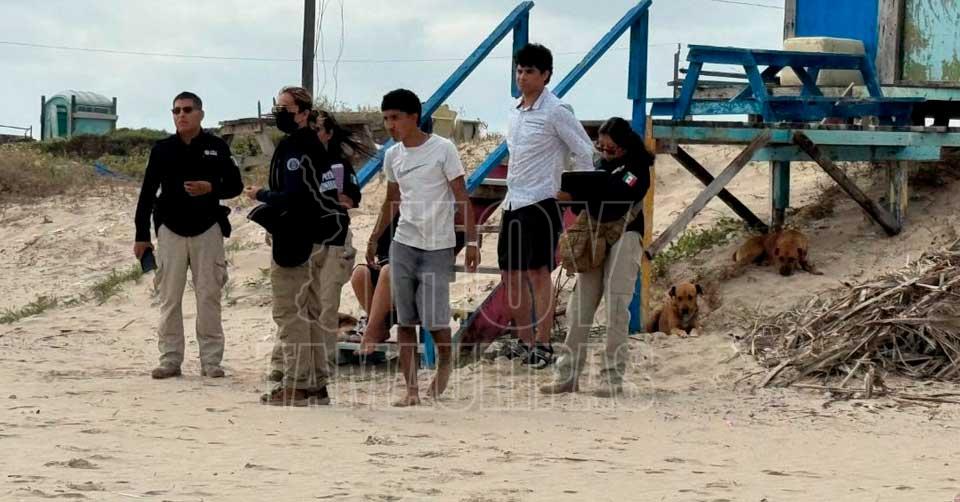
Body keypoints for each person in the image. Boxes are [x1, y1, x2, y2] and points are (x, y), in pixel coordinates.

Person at [245, 86, 355, 406]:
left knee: (291, 313)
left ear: (304, 113)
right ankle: (316, 384)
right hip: (320, 239)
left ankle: (296, 384)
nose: (279, 114)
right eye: (277, 108)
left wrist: (261, 195)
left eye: (286, 109)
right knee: (311, 314)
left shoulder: (296, 147)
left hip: (298, 240)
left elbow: (295, 198)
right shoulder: (316, 146)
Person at [367, 89, 478, 406]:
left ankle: (445, 361)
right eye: (386, 118)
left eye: (395, 117)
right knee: (404, 320)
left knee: (434, 320)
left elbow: (461, 196)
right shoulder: (393, 155)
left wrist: (471, 241)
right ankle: (411, 389)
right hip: (404, 241)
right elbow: (392, 199)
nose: (390, 125)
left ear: (413, 117)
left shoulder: (443, 149)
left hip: (438, 244)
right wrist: (375, 236)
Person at [134, 91, 243, 379]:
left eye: (187, 110)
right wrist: (141, 235)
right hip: (170, 229)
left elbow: (235, 186)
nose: (181, 115)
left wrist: (211, 187)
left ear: (200, 114)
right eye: (176, 111)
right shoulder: (162, 149)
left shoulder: (217, 146)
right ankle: (170, 359)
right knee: (169, 297)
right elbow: (147, 194)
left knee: (209, 296)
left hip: (208, 228)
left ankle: (211, 361)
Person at [541, 117, 652, 397]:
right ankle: (567, 375)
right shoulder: (599, 166)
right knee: (579, 307)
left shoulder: (637, 168)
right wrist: (574, 194)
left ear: (624, 145)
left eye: (609, 147)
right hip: (595, 234)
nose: (604, 152)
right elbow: (586, 202)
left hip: (625, 233)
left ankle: (612, 378)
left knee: (616, 307)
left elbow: (621, 194)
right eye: (600, 147)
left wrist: (585, 192)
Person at [499, 43, 594, 368]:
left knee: (538, 273)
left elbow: (584, 151)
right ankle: (524, 340)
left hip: (541, 201)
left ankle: (543, 342)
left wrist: (575, 193)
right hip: (513, 201)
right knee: (511, 274)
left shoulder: (556, 110)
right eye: (519, 70)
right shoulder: (514, 111)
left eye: (529, 71)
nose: (522, 77)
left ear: (545, 75)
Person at [265, 109, 367, 379]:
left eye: (318, 129)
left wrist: (331, 198)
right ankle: (284, 364)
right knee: (293, 304)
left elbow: (351, 199)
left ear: (329, 133)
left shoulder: (337, 163)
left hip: (331, 239)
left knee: (324, 303)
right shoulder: (294, 156)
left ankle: (320, 368)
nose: (313, 133)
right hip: (298, 237)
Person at [350, 212, 399, 355]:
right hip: (387, 268)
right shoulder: (390, 215)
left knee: (388, 272)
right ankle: (379, 327)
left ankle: (371, 331)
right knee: (359, 273)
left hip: (409, 276)